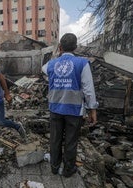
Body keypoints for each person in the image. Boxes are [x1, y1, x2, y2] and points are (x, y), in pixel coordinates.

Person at [42, 33, 98, 177]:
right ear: (75, 47)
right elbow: (88, 89)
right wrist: (92, 110)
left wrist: (57, 55)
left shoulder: (51, 64)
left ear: (60, 47)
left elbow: (43, 70)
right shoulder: (82, 63)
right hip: (74, 111)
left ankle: (54, 167)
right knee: (71, 142)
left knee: (55, 140)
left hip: (55, 109)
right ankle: (68, 170)